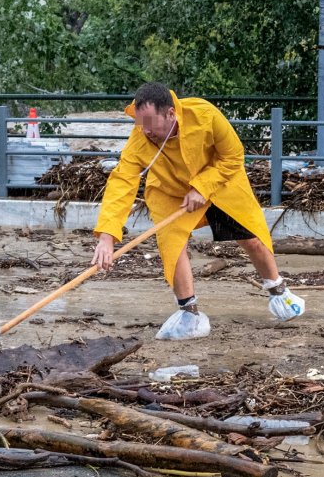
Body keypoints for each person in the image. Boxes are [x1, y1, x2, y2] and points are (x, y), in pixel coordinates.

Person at [91, 82, 305, 340]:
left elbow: (233, 155)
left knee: (251, 239)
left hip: (219, 184)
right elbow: (122, 180)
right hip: (171, 192)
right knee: (173, 244)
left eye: (150, 122)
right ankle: (189, 312)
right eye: (140, 123)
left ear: (171, 113)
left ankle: (279, 292)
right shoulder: (141, 136)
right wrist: (107, 236)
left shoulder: (205, 115)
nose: (145, 130)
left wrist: (203, 187)